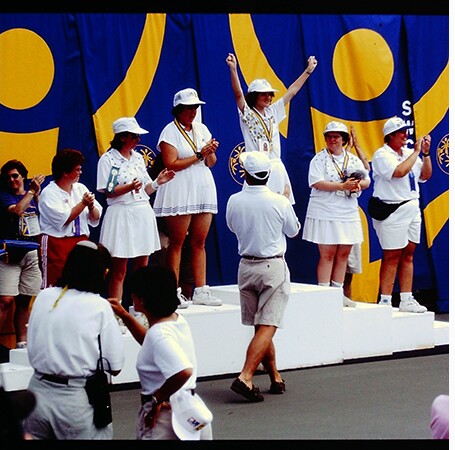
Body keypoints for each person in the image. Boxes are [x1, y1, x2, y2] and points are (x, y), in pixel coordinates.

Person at [24, 241, 125, 440]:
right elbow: (115, 365)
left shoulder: (44, 296)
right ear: (102, 272)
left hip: (36, 392)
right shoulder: (99, 306)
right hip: (75, 399)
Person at [225, 152, 301, 402]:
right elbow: (293, 231)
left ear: (245, 174)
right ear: (267, 175)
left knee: (261, 327)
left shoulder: (234, 200)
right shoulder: (279, 202)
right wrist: (286, 202)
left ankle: (275, 377)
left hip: (246, 265)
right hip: (272, 266)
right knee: (268, 325)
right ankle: (246, 376)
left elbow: (231, 226)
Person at [108, 266, 213, 440]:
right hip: (190, 409)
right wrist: (125, 316)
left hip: (165, 419)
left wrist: (156, 399)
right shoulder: (175, 321)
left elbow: (183, 371)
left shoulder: (159, 335)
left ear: (142, 299)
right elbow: (151, 343)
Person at [152, 88, 222, 307]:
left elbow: (212, 163)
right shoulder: (169, 132)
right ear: (178, 110)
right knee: (177, 242)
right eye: (189, 108)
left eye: (195, 108)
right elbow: (171, 163)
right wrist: (200, 153)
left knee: (199, 241)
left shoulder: (202, 129)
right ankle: (173, 291)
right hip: (179, 189)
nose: (193, 112)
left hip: (202, 187)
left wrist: (209, 151)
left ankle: (201, 290)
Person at [96, 117, 176, 305]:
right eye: (134, 136)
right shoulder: (109, 160)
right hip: (121, 215)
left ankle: (139, 309)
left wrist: (158, 182)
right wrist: (129, 187)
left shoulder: (138, 158)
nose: (138, 140)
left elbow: (146, 188)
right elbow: (109, 192)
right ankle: (116, 312)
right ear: (122, 137)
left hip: (142, 213)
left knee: (142, 268)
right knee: (120, 270)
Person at [225, 53, 318, 204]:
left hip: (276, 167)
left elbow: (292, 92)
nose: (268, 97)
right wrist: (233, 70)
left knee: (281, 209)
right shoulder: (246, 112)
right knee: (257, 208)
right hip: (256, 169)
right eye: (264, 94)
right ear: (255, 96)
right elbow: (238, 94)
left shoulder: (273, 111)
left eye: (270, 94)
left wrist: (308, 71)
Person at [302, 121, 370, 307]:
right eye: (329, 137)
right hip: (325, 210)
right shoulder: (318, 159)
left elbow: (366, 181)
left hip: (347, 210)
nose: (333, 140)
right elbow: (316, 182)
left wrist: (356, 185)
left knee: (343, 254)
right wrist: (341, 186)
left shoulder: (353, 160)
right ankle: (324, 295)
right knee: (328, 254)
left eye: (336, 137)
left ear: (343, 139)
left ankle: (337, 294)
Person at [370, 116, 433, 313]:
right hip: (392, 209)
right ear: (390, 136)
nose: (405, 135)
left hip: (412, 207)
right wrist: (415, 153)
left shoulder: (408, 153)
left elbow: (425, 175)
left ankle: (406, 298)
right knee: (391, 254)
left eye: (405, 132)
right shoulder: (382, 155)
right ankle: (386, 301)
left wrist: (426, 154)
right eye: (401, 133)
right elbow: (399, 172)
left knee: (408, 253)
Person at [38, 148, 103, 288]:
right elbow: (63, 220)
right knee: (56, 283)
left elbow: (95, 217)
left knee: (81, 282)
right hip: (57, 243)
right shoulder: (49, 193)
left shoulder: (80, 188)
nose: (81, 172)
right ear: (65, 172)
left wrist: (91, 206)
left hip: (80, 242)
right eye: (77, 169)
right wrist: (83, 203)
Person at [0, 159, 45, 349]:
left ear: (24, 176)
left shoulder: (33, 196)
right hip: (10, 253)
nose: (12, 180)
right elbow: (17, 211)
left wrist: (37, 195)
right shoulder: (3, 196)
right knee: (6, 300)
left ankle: (21, 344)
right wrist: (32, 191)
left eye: (15, 175)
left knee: (25, 300)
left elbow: (44, 216)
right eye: (8, 177)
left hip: (31, 252)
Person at [343, 125, 371, 302]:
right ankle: (335, 296)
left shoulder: (354, 162)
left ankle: (347, 296)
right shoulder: (329, 161)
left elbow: (366, 169)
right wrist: (348, 148)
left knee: (351, 263)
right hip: (334, 216)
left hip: (350, 216)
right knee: (336, 260)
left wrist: (357, 146)